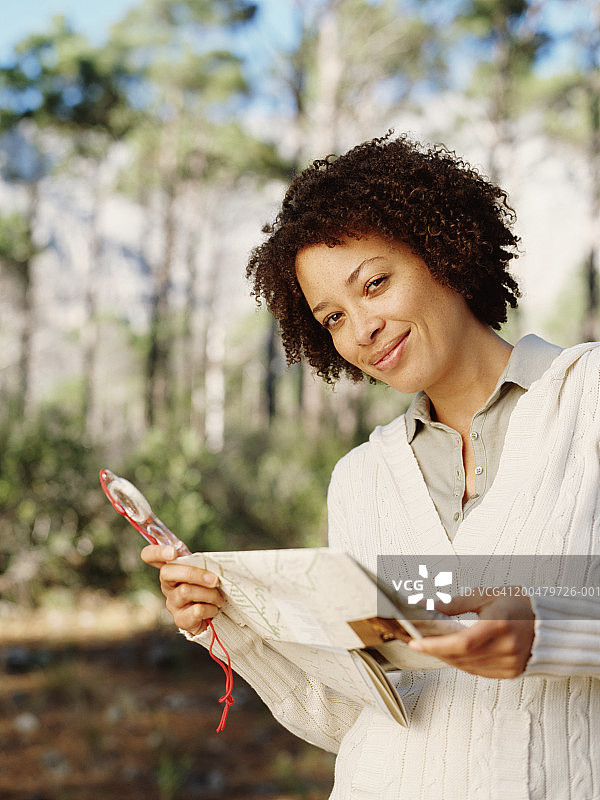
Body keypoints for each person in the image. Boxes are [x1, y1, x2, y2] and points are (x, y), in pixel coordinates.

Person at [141, 133, 600, 799]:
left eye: (375, 284)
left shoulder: (587, 399)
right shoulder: (360, 479)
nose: (361, 330)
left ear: (443, 251)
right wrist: (232, 624)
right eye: (332, 317)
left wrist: (549, 634)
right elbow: (358, 715)